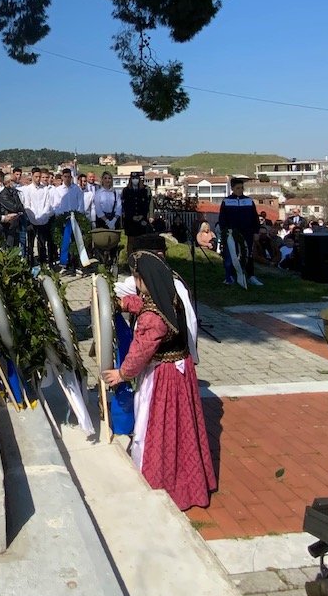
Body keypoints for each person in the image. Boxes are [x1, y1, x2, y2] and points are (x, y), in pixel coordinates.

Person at [101, 252, 216, 510]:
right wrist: (121, 303)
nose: (135, 282)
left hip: (164, 377)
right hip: (181, 371)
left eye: (136, 277)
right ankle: (190, 482)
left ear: (144, 279)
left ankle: (162, 482)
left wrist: (121, 374)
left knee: (157, 427)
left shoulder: (154, 318)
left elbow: (140, 351)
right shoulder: (169, 297)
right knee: (183, 429)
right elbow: (142, 303)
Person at [217, 177, 261, 286]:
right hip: (232, 233)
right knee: (232, 254)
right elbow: (222, 218)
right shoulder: (226, 201)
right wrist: (225, 231)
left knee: (248, 254)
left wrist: (256, 232)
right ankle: (230, 276)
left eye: (242, 188)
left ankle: (250, 276)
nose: (240, 190)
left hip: (247, 232)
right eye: (237, 188)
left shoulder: (249, 201)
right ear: (232, 188)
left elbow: (255, 218)